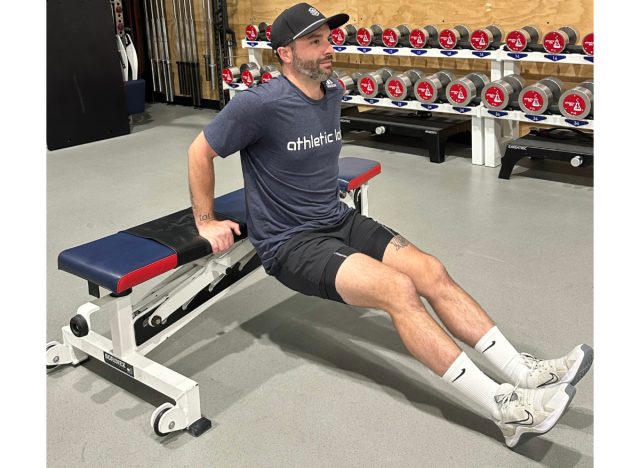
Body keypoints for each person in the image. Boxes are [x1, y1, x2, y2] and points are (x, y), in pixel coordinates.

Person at [187, 2, 593, 448]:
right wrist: (206, 221)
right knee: (398, 290)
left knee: (431, 271)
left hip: (337, 218)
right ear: (285, 53)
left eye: (329, 38)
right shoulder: (258, 105)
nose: (328, 49)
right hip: (290, 243)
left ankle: (524, 372)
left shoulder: (332, 91)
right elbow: (199, 152)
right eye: (315, 41)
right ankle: (505, 409)